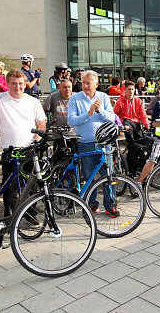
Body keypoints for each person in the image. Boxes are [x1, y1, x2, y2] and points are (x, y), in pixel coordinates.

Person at [0, 68, 46, 216]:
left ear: (25, 83)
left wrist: (36, 140)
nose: (18, 87)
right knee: (10, 186)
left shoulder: (33, 102)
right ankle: (9, 216)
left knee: (31, 185)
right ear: (8, 84)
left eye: (21, 83)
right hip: (10, 150)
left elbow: (41, 123)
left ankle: (31, 214)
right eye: (14, 84)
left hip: (29, 149)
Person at [67, 70, 119, 217]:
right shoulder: (75, 98)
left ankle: (110, 205)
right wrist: (88, 113)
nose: (85, 85)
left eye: (88, 83)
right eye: (83, 82)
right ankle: (92, 203)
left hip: (104, 144)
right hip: (85, 144)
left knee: (108, 175)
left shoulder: (103, 97)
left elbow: (112, 118)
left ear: (96, 84)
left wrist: (99, 111)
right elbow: (71, 120)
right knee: (89, 176)